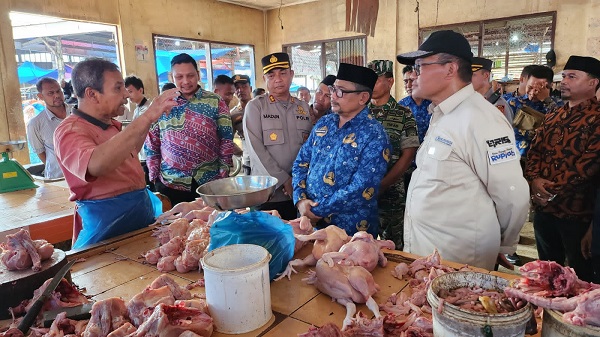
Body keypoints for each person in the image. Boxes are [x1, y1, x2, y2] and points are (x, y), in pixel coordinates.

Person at [396, 30, 530, 270]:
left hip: (460, 262)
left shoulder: (480, 119)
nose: (414, 76)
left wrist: (505, 245)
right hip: (430, 255)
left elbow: (513, 195)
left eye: (420, 66)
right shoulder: (442, 115)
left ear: (450, 69)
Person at [53, 58, 180, 249]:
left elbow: (129, 151)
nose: (126, 95)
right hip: (103, 229)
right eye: (118, 88)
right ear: (92, 94)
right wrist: (147, 116)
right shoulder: (70, 130)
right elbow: (97, 164)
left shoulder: (110, 125)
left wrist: (150, 120)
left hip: (137, 219)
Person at [293, 63, 390, 237]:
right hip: (309, 222)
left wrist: (318, 210)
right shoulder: (324, 123)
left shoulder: (374, 134)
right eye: (333, 89)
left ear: (362, 97)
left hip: (350, 231)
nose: (333, 96)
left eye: (341, 91)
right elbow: (301, 162)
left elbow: (362, 187)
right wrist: (300, 201)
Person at [526, 55, 600, 282]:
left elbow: (587, 166)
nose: (564, 81)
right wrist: (534, 181)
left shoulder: (596, 118)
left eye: (572, 77)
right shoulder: (554, 115)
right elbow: (534, 152)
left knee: (578, 278)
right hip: (544, 212)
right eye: (564, 76)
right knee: (547, 274)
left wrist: (550, 191)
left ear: (593, 83)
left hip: (576, 215)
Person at [145, 53, 234, 206]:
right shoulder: (161, 103)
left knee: (208, 226)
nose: (186, 81)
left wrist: (223, 174)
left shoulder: (215, 101)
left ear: (198, 75)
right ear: (171, 78)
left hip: (209, 182)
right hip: (170, 183)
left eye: (190, 75)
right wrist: (154, 177)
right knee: (171, 227)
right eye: (179, 77)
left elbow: (226, 139)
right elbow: (151, 141)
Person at [243, 52, 313, 220]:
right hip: (267, 193)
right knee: (266, 240)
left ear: (291, 74)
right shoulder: (256, 107)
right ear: (264, 78)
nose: (278, 79)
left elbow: (309, 148)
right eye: (271, 75)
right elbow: (256, 150)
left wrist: (296, 182)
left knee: (296, 240)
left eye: (283, 73)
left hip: (298, 191)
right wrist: (284, 180)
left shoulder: (302, 107)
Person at [367, 60, 419, 249]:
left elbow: (408, 155)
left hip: (392, 194)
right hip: (361, 196)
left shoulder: (404, 114)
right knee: (362, 245)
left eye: (376, 79)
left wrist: (382, 185)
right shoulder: (359, 112)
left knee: (394, 247)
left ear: (390, 81)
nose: (370, 84)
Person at [507, 65, 562, 159]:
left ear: (549, 86)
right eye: (530, 87)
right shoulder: (514, 103)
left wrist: (546, 100)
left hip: (544, 159)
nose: (532, 93)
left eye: (538, 89)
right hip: (514, 158)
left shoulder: (558, 106)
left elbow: (561, 124)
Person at [27, 77, 71, 179]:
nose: (57, 95)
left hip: (85, 177)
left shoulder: (77, 113)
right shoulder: (35, 124)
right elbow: (41, 153)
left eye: (58, 91)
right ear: (40, 96)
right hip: (57, 178)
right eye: (50, 93)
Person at [471, 57, 513, 122]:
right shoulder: (475, 100)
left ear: (486, 75)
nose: (467, 79)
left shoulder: (498, 105)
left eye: (472, 75)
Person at [398, 65, 432, 145]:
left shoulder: (433, 103)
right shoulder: (400, 106)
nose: (408, 86)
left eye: (412, 80)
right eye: (406, 81)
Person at [230, 74, 253, 175]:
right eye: (237, 88)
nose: (240, 90)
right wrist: (241, 153)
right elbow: (228, 140)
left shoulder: (262, 107)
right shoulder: (233, 114)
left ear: (250, 88)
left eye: (244, 86)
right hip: (249, 161)